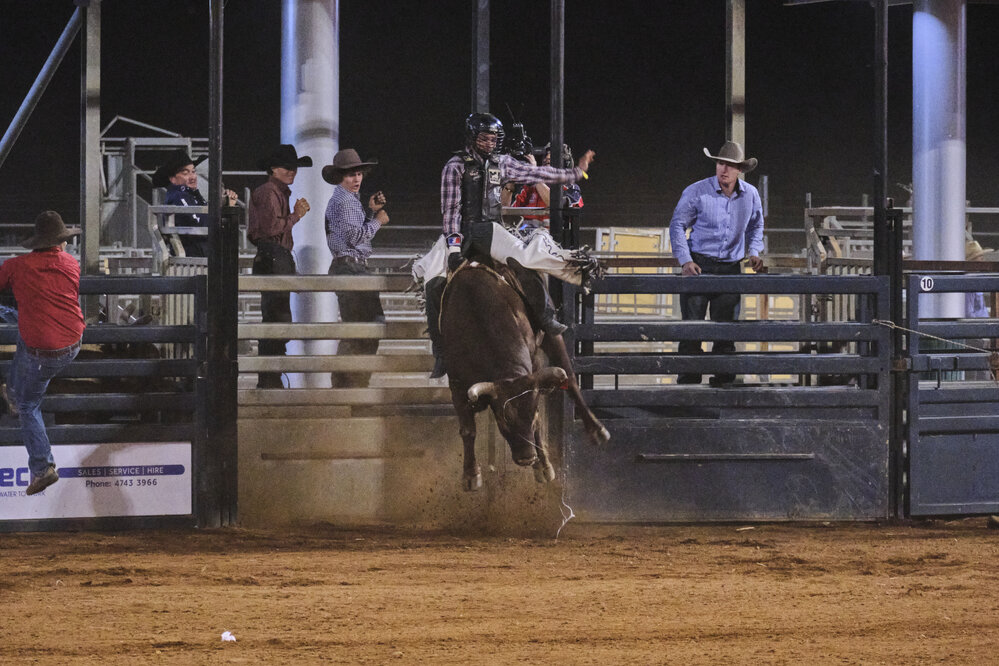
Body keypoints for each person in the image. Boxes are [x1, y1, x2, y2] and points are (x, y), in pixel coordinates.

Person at [416, 112, 598, 378]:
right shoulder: (455, 166)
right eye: (485, 138)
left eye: (493, 139)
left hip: (490, 228)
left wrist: (575, 173)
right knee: (431, 279)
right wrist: (454, 247)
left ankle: (546, 316)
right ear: (473, 138)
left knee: (525, 257)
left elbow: (538, 171)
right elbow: (450, 210)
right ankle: (441, 350)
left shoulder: (502, 164)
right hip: (461, 232)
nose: (489, 143)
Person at [0, 211, 85, 495]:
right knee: (26, 327)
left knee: (28, 405)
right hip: (72, 340)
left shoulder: (16, 266)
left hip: (44, 351)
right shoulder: (71, 263)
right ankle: (12, 392)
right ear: (59, 243)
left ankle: (42, 467)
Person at [669, 141, 765, 387]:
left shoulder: (750, 195)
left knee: (725, 331)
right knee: (693, 330)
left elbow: (756, 225)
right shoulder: (697, 191)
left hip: (731, 267)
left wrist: (754, 250)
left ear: (739, 170)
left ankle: (724, 383)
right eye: (721, 163)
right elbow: (677, 224)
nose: (724, 170)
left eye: (731, 166)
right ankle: (689, 384)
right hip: (699, 264)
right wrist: (686, 260)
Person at [322, 149, 389, 388]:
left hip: (347, 267)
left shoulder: (343, 199)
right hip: (351, 268)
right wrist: (378, 220)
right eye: (351, 175)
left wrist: (371, 211)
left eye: (359, 173)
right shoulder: (345, 201)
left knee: (359, 329)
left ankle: (347, 385)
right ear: (341, 177)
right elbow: (355, 237)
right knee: (367, 327)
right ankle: (351, 386)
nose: (357, 179)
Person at [247, 144, 312, 389]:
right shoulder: (269, 192)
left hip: (274, 257)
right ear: (274, 169)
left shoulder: (274, 191)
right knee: (277, 319)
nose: (292, 171)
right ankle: (269, 380)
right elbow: (271, 229)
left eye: (294, 167)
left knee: (277, 320)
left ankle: (270, 378)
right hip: (274, 257)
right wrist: (295, 215)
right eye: (287, 167)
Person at [152, 149, 238, 257]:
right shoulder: (179, 196)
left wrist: (225, 205)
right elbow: (199, 222)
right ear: (173, 179)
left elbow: (204, 218)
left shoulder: (190, 195)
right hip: (194, 258)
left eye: (193, 171)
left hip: (198, 256)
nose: (192, 177)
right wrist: (223, 211)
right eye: (185, 173)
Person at [512, 143, 584, 230]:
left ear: (565, 163)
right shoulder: (530, 187)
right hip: (526, 238)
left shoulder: (571, 189)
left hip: (553, 240)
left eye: (552, 157)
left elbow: (554, 204)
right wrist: (510, 181)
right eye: (546, 156)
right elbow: (507, 214)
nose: (547, 157)